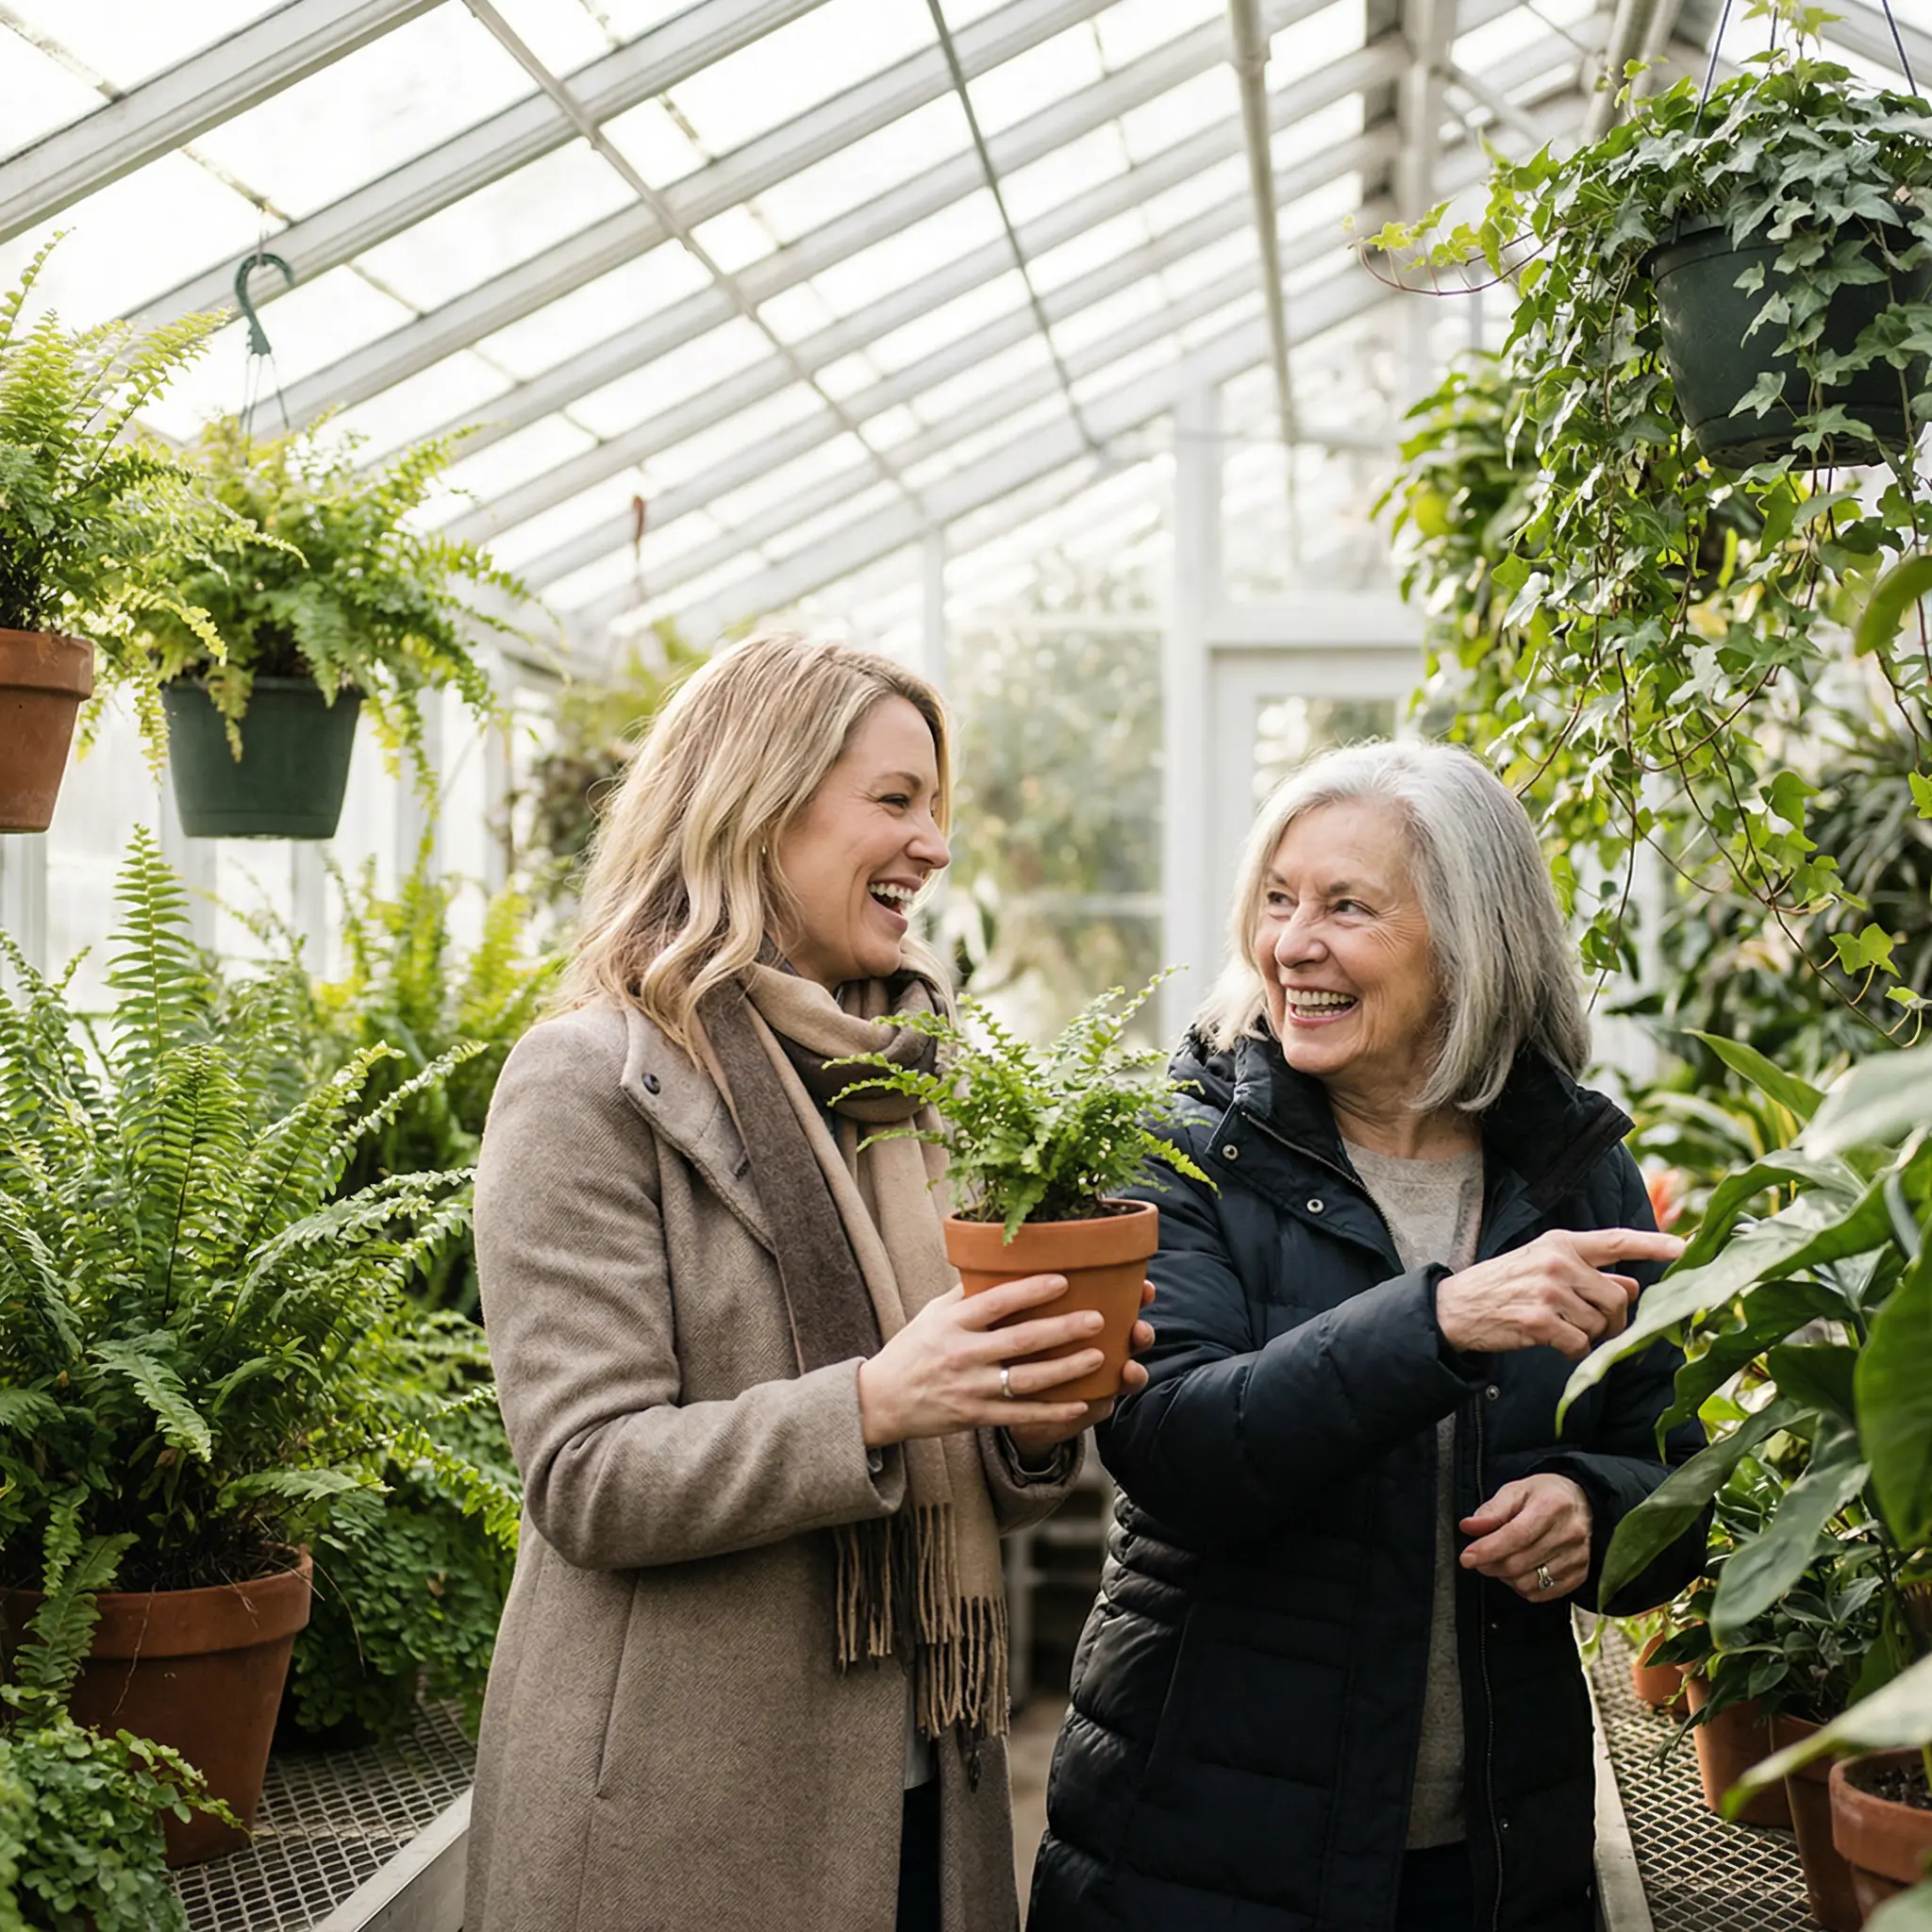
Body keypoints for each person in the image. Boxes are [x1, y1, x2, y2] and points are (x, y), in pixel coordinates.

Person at [466, 635, 1146, 1932]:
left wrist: (1036, 1417)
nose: (935, 845)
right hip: (678, 1817)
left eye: (936, 807)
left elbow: (950, 1461)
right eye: (895, 800)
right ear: (756, 804)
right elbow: (587, 1476)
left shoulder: (903, 1082)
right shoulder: (585, 1083)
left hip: (915, 1795)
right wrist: (875, 1404)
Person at [1029, 740, 1705, 1932]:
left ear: (1469, 940)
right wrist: (1439, 1317)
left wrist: (1592, 1509)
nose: (1294, 943)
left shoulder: (1573, 1166)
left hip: (1495, 1858)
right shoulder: (1183, 1145)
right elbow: (1174, 1447)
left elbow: (1673, 1477)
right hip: (1205, 1852)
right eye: (1278, 900)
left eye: (1348, 906)